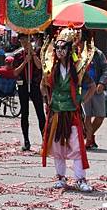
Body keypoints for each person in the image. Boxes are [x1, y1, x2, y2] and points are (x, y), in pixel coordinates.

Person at [40, 28, 95, 192]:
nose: (59, 51)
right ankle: (61, 177)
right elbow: (43, 85)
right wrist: (47, 99)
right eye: (57, 48)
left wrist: (81, 100)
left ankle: (80, 179)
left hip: (72, 113)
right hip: (56, 112)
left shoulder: (77, 68)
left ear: (70, 49)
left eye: (63, 48)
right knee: (57, 147)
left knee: (76, 146)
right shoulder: (51, 68)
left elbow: (91, 87)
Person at [13, 33, 46, 151]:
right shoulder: (17, 55)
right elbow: (15, 72)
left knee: (40, 113)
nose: (24, 42)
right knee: (25, 113)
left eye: (25, 40)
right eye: (22, 40)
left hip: (35, 85)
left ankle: (45, 140)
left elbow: (39, 66)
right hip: (23, 86)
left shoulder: (37, 52)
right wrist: (25, 62)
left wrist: (32, 55)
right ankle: (26, 141)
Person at [82, 41, 107, 150]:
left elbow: (106, 69)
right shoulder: (77, 52)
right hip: (84, 89)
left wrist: (102, 83)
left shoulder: (98, 53)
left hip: (97, 89)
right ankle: (88, 140)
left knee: (100, 116)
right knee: (87, 116)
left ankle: (89, 135)